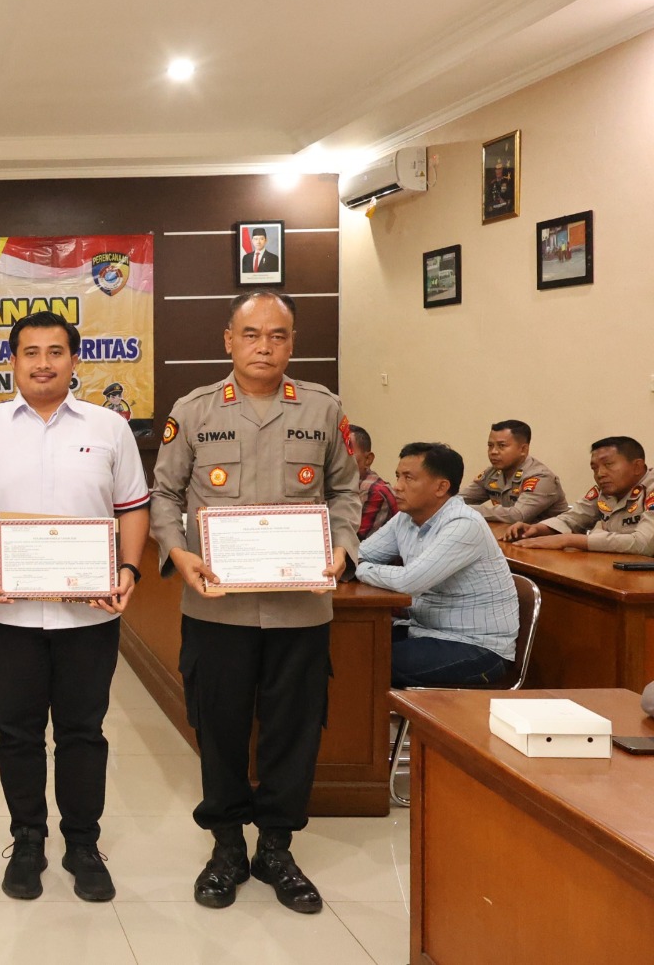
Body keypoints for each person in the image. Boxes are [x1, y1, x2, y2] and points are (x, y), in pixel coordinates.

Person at [149, 290, 358, 915]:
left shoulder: (323, 408)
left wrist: (343, 546)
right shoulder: (193, 410)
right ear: (228, 340)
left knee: (294, 729)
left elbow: (345, 490)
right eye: (251, 334)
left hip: (300, 608)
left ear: (292, 343)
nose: (264, 346)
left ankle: (276, 847)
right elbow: (165, 494)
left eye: (277, 335)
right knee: (219, 726)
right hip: (217, 607)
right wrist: (178, 551)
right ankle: (225, 847)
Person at [0, 311, 150, 903]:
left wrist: (129, 569)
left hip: (90, 613)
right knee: (18, 732)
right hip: (8, 612)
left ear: (73, 360)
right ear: (12, 361)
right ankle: (28, 840)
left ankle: (83, 843)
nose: (42, 363)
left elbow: (133, 507)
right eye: (30, 352)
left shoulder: (110, 427)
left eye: (55, 352)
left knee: (84, 731)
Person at [356, 443, 518, 687]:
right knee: (348, 642)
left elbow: (409, 581)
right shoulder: (405, 517)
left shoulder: (463, 524)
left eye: (409, 478)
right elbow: (360, 554)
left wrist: (360, 569)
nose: (397, 486)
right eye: (398, 476)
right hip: (423, 630)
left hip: (476, 647)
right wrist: (356, 563)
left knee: (364, 659)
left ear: (441, 487)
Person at [503, 437, 654, 555]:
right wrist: (536, 529)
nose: (600, 474)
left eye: (608, 464)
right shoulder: (605, 491)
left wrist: (570, 540)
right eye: (594, 468)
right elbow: (573, 518)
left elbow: (644, 544)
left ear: (637, 466)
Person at [459, 420, 567, 524]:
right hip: (509, 534)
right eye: (490, 446)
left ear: (523, 449)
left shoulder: (541, 477)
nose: (493, 452)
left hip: (550, 535)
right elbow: (459, 499)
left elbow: (518, 515)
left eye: (502, 445)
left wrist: (464, 509)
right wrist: (453, 504)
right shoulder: (492, 473)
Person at [352, 424, 398, 540]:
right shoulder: (337, 486)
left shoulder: (373, 490)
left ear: (368, 459)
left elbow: (352, 545)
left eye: (345, 454)